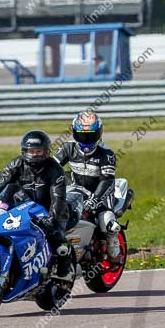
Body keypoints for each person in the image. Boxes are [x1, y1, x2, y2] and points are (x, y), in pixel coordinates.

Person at [0, 130, 72, 280]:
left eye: (38, 151)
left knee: (58, 240)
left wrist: (51, 219)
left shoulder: (55, 169)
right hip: (24, 206)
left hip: (48, 208)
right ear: (24, 151)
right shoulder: (16, 163)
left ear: (46, 151)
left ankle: (64, 270)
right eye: (31, 151)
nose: (34, 155)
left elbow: (58, 198)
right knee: (9, 191)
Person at [54, 111, 121, 259]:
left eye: (90, 136)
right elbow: (51, 167)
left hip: (102, 192)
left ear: (99, 133)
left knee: (107, 221)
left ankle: (112, 241)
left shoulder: (106, 153)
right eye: (82, 135)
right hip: (76, 189)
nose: (86, 139)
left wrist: (96, 199)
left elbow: (107, 180)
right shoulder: (67, 148)